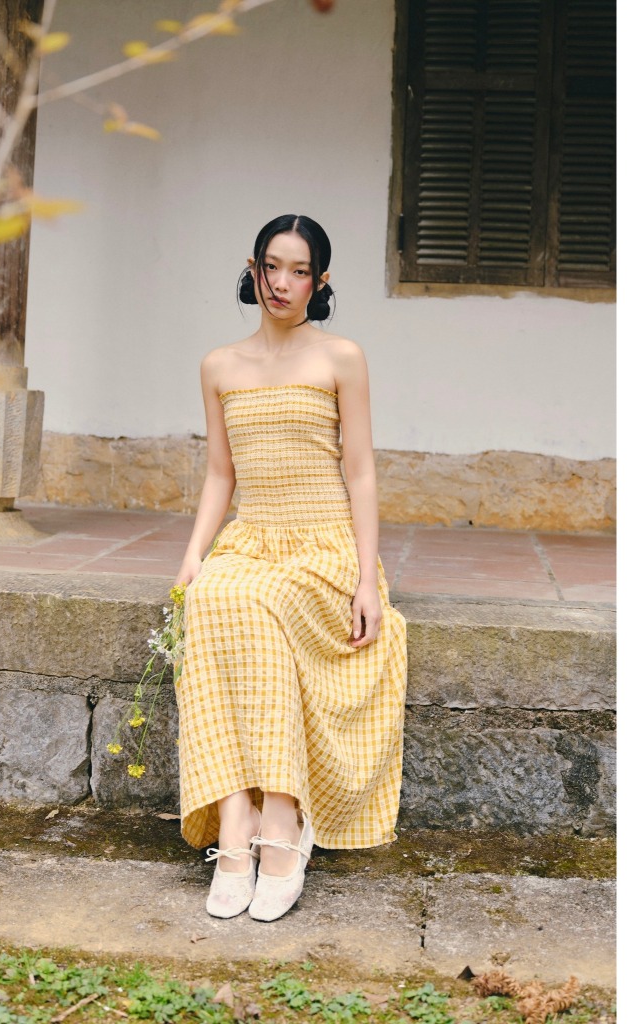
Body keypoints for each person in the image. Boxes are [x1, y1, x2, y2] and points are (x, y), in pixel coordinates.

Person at [173, 214, 407, 922]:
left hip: (325, 549)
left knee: (262, 600)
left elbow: (360, 472)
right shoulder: (219, 365)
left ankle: (282, 818)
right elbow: (221, 473)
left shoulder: (341, 357)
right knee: (212, 596)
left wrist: (365, 579)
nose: (281, 283)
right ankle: (235, 818)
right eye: (271, 267)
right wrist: (193, 555)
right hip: (253, 539)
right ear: (253, 269)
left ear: (319, 282)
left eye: (298, 271)